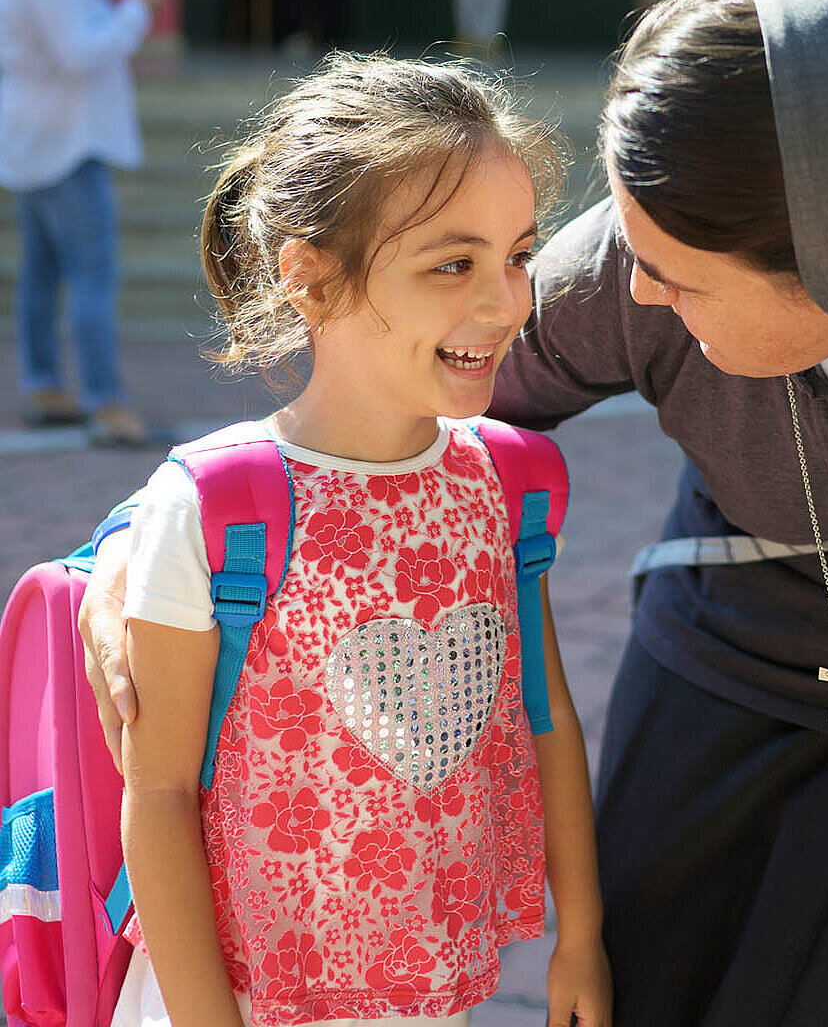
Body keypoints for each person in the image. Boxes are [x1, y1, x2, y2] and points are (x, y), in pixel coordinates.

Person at [79, 0, 828, 1023]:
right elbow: (383, 398)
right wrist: (140, 542)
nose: (634, 289)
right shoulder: (645, 257)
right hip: (721, 660)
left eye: (681, 278)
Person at [106, 53, 610, 1027]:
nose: (507, 302)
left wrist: (579, 934)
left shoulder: (512, 481)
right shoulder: (213, 504)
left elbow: (545, 716)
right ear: (310, 276)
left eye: (518, 255)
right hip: (235, 998)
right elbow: (159, 792)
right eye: (452, 264)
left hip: (429, 991)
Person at [0, 0, 166, 444]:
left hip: (34, 134)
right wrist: (135, 10)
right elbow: (79, 52)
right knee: (91, 276)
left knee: (40, 273)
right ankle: (104, 402)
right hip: (67, 139)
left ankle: (44, 385)